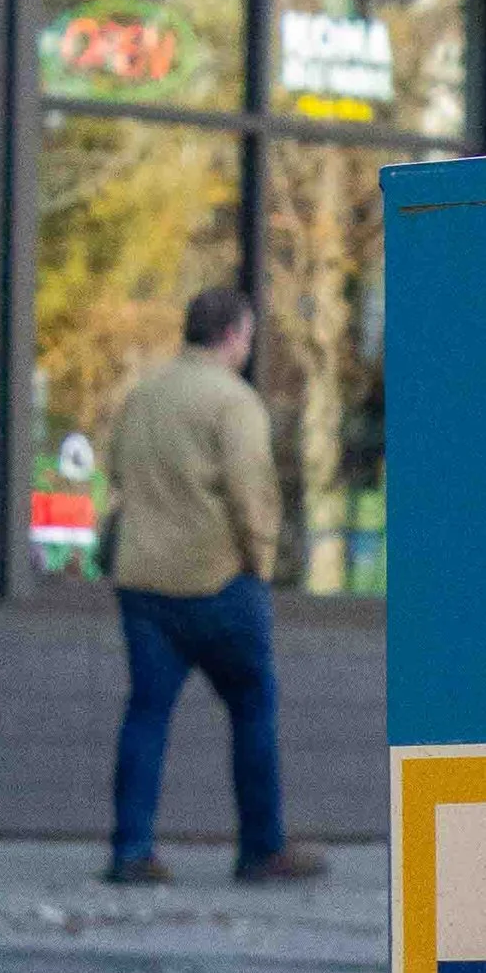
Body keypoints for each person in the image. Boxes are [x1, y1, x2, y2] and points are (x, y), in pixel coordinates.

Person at [100, 284, 325, 886]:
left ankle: (131, 851)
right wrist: (261, 562)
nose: (249, 347)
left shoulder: (143, 395)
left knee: (146, 714)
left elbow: (114, 467)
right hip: (219, 581)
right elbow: (252, 492)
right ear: (231, 336)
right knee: (252, 707)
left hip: (144, 583)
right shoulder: (234, 402)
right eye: (249, 336)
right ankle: (260, 849)